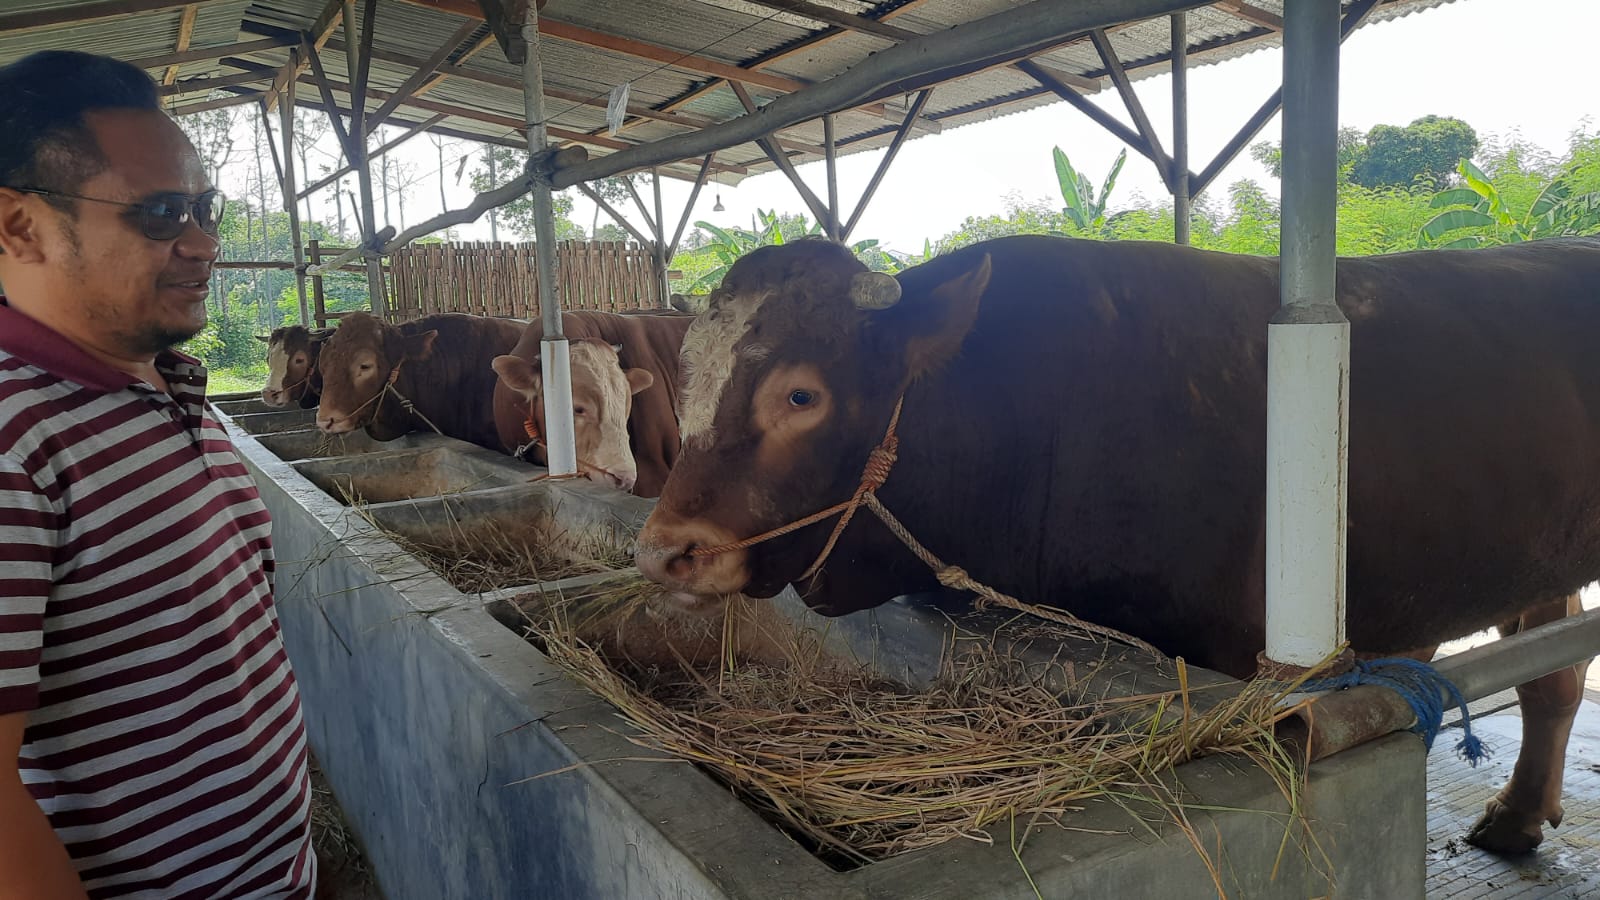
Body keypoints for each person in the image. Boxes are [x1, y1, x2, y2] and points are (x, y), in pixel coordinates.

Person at [0, 51, 315, 898]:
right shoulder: (13, 442)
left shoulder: (168, 385)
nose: (205, 243)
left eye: (205, 209)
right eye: (161, 214)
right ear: (20, 226)